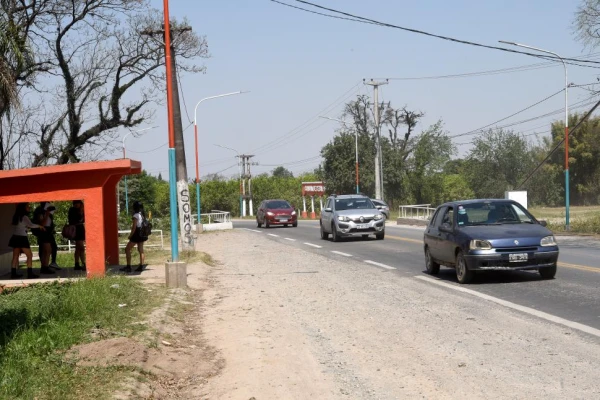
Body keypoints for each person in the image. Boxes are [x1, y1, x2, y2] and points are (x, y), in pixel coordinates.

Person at [8, 203, 45, 279]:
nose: (29, 207)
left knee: (15, 256)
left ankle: (13, 273)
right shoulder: (24, 217)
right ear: (23, 208)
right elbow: (31, 225)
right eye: (27, 206)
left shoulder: (16, 217)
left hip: (15, 237)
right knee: (29, 255)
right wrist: (39, 226)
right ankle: (30, 273)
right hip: (22, 238)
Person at [121, 201, 147, 273]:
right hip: (142, 234)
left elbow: (134, 227)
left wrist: (130, 235)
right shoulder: (142, 215)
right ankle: (141, 266)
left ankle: (128, 266)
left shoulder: (136, 215)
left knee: (127, 249)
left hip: (136, 234)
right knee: (141, 250)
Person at [35, 202, 59, 274]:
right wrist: (47, 214)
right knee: (46, 250)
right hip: (43, 231)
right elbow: (42, 223)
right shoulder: (41, 213)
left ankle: (45, 266)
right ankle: (44, 267)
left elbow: (50, 223)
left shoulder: (49, 215)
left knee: (48, 250)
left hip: (48, 232)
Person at [68, 200, 86, 271]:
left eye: (78, 203)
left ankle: (77, 264)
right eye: (75, 203)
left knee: (78, 248)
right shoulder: (72, 210)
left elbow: (83, 220)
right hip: (76, 229)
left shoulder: (81, 210)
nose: (76, 204)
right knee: (81, 247)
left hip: (80, 228)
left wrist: (82, 211)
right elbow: (73, 220)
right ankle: (83, 263)